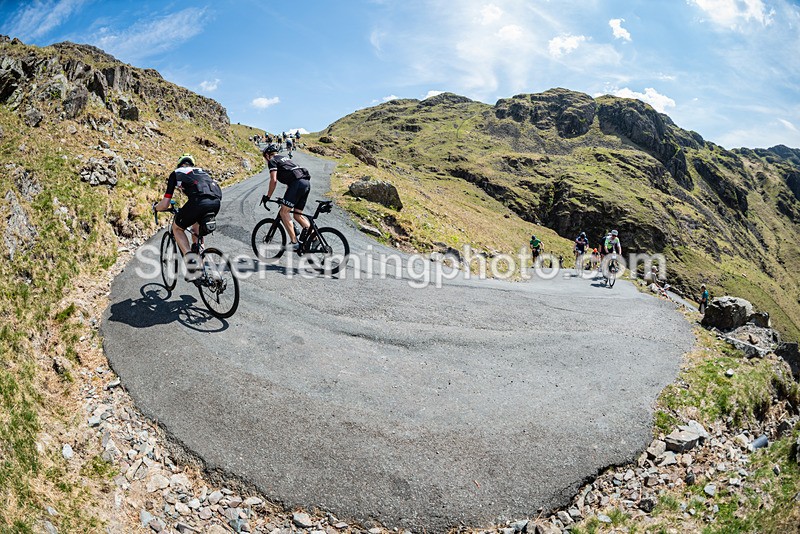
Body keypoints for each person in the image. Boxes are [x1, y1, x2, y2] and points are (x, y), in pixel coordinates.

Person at [154, 153, 222, 278]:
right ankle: (203, 272)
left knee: (177, 228)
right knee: (197, 232)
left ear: (179, 165)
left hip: (199, 202)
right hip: (216, 201)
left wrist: (155, 208)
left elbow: (165, 204)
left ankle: (191, 261)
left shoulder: (176, 173)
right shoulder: (201, 172)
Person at [261, 143, 311, 251]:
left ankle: (294, 242)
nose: (266, 161)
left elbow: (273, 180)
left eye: (265, 158)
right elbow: (290, 181)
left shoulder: (272, 161)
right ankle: (315, 238)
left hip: (297, 184)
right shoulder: (286, 159)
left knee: (284, 212)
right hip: (305, 183)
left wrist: (268, 196)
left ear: (267, 155)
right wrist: (285, 199)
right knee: (298, 216)